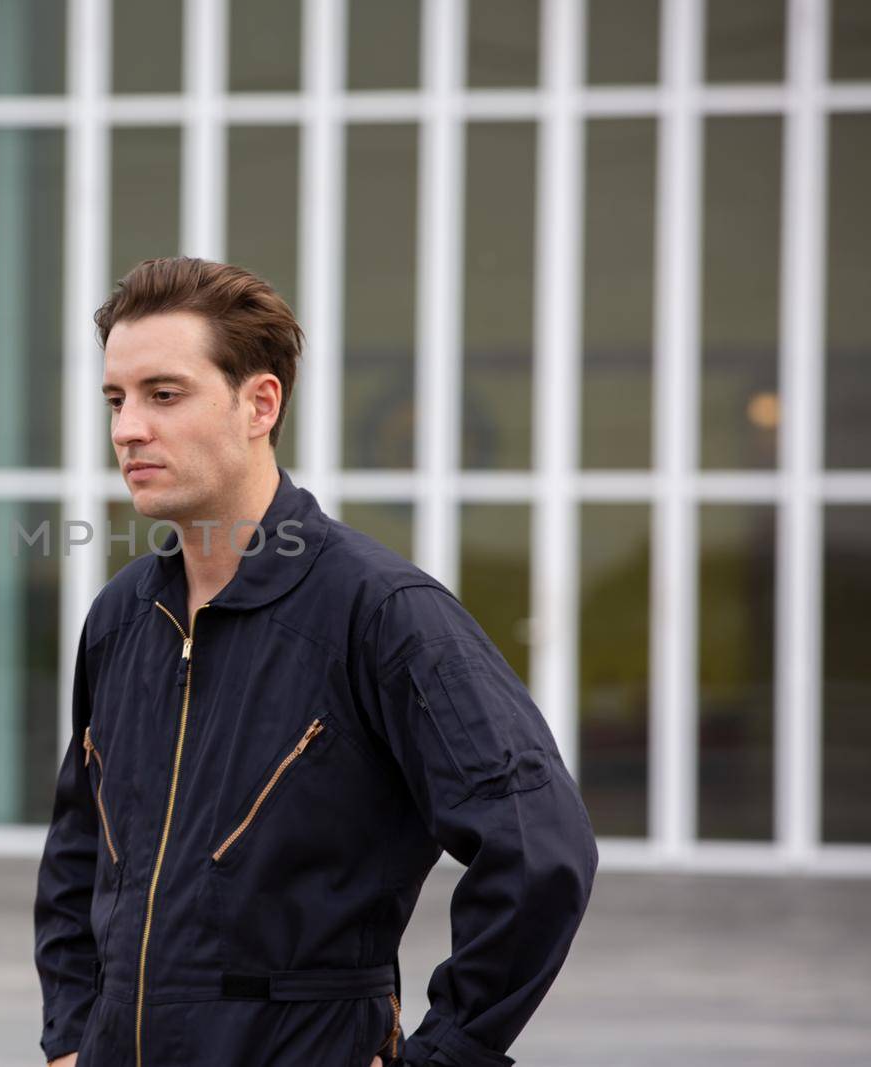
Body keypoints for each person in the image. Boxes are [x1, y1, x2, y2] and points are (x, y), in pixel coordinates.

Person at [32, 257, 598, 1066]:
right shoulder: (123, 618)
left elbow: (540, 846)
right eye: (116, 399)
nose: (127, 429)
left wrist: (444, 1055)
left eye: (164, 394)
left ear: (259, 402)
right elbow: (78, 854)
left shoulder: (381, 612)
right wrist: (68, 1038)